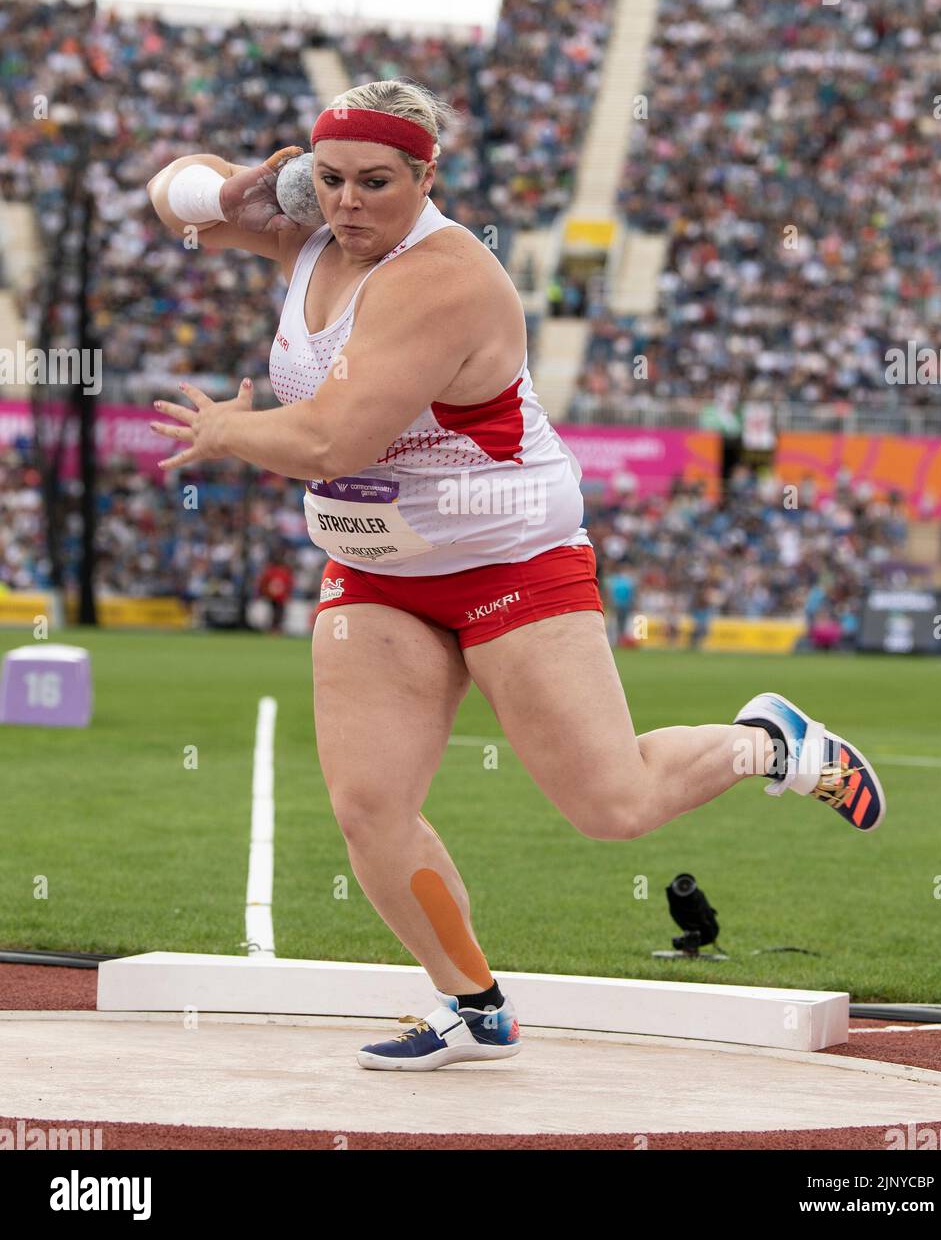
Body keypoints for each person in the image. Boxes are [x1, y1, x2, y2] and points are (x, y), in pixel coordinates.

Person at [146, 79, 886, 1073]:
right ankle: (471, 1004)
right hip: (376, 569)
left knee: (610, 805)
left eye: (376, 182)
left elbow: (328, 440)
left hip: (510, 559)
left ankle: (769, 742)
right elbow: (166, 197)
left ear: (427, 177)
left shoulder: (442, 277)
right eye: (330, 181)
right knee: (370, 804)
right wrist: (236, 188)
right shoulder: (310, 233)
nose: (351, 203)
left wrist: (228, 427)